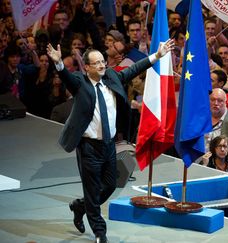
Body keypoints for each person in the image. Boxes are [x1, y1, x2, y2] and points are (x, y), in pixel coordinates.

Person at [46, 39, 174, 243]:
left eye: (103, 61)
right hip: (88, 146)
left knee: (109, 185)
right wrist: (59, 63)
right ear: (87, 67)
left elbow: (132, 70)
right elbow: (66, 77)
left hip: (109, 145)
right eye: (96, 63)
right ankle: (99, 232)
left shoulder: (112, 76)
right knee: (92, 189)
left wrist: (157, 55)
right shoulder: (80, 82)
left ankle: (80, 206)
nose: (102, 65)